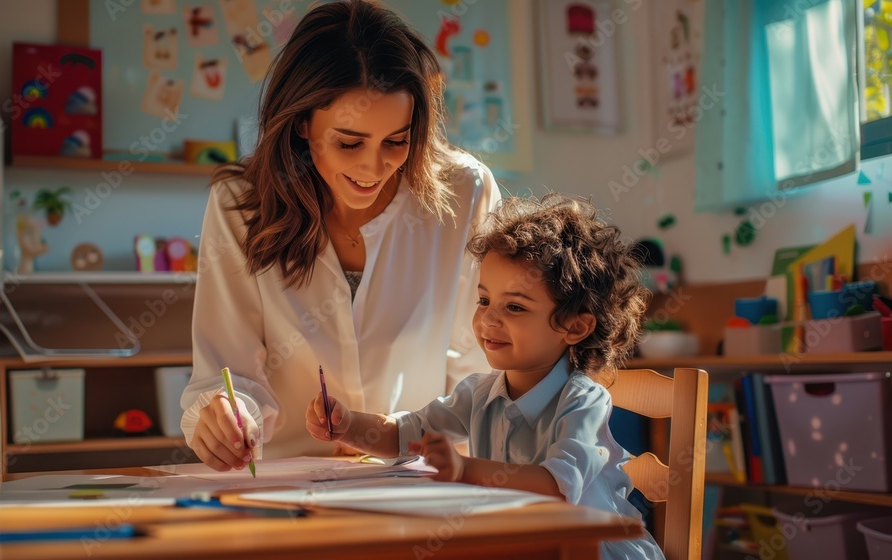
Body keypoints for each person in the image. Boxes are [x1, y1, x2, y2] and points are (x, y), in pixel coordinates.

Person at [181, 0, 501, 471]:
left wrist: (396, 439)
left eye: (397, 140)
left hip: (420, 480)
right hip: (289, 485)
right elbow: (227, 373)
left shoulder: (463, 192)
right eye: (349, 142)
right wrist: (223, 417)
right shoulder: (240, 206)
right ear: (302, 123)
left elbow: (484, 372)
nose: (373, 168)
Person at [306, 193, 663, 560]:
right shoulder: (478, 393)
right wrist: (349, 426)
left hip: (595, 551)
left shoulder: (583, 401)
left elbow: (556, 486)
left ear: (575, 327)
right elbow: (405, 433)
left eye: (514, 307)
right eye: (483, 301)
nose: (488, 320)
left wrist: (464, 468)